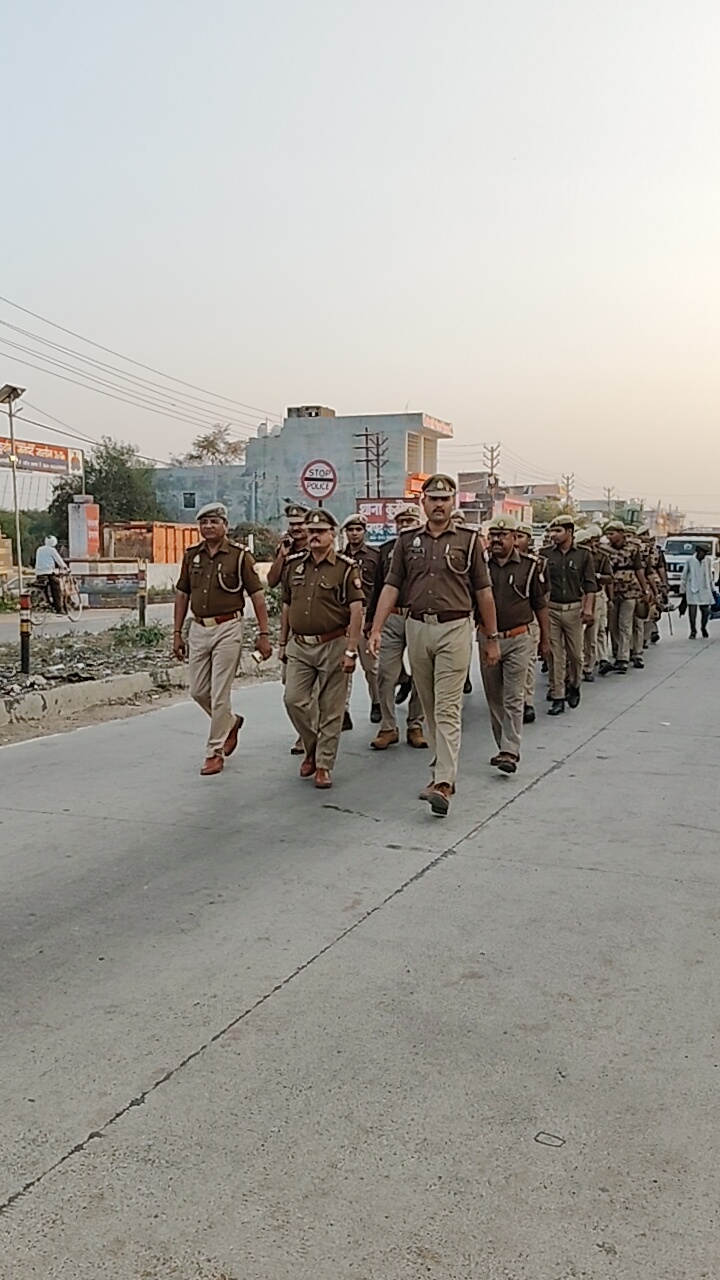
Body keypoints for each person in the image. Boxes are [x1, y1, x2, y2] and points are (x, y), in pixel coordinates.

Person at [368, 474, 500, 817]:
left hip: (454, 628)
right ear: (422, 502)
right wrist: (377, 628)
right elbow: (392, 586)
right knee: (428, 705)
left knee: (447, 707)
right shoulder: (407, 541)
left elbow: (484, 592)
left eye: (445, 499)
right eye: (433, 498)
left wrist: (491, 638)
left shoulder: (469, 541)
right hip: (416, 627)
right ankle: (440, 767)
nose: (439, 504)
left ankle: (443, 781)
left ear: (452, 503)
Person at [174, 502, 272, 776]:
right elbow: (182, 594)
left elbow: (257, 596)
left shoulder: (240, 557)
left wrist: (264, 634)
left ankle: (214, 752)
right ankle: (230, 722)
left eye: (214, 521)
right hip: (198, 628)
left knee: (220, 694)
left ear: (225, 525)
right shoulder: (192, 555)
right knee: (198, 691)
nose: (208, 526)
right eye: (204, 522)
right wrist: (177, 633)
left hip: (228, 627)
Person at [280, 508, 364, 789]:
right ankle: (312, 746)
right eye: (310, 531)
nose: (313, 536)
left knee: (331, 708)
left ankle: (324, 765)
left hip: (333, 644)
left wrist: (351, 649)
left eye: (319, 531)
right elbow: (286, 605)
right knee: (293, 700)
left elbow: (356, 610)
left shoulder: (345, 567)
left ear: (332, 534)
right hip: (300, 645)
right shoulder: (294, 565)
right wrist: (282, 642)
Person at [480, 516, 550, 774]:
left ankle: (510, 749)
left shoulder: (530, 567)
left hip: (519, 638)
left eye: (503, 535)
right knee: (494, 696)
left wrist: (545, 639)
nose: (497, 540)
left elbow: (540, 605)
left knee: (514, 695)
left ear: (514, 538)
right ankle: (503, 745)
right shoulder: (479, 565)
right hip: (487, 638)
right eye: (493, 535)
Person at [365, 503, 427, 751]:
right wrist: (372, 621)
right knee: (385, 673)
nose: (405, 526)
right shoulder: (386, 550)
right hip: (391, 617)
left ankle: (415, 725)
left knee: (421, 673)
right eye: (401, 522)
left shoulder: (428, 548)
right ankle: (388, 726)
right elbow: (378, 587)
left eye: (410, 522)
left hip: (418, 617)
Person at [266, 503, 310, 755]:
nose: (296, 529)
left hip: (317, 626)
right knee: (292, 685)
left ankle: (308, 736)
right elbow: (272, 582)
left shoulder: (320, 549)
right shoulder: (286, 550)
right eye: (292, 524)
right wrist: (282, 556)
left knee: (314, 689)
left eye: (300, 524)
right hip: (293, 628)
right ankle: (306, 731)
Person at [543, 514, 597, 715]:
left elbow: (590, 584)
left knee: (575, 655)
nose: (553, 535)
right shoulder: (545, 555)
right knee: (555, 656)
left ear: (569, 532)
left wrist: (588, 609)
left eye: (558, 531)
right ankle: (558, 696)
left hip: (574, 610)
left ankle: (574, 684)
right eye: (552, 531)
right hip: (552, 609)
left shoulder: (583, 555)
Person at [341, 513, 382, 726]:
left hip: (367, 613)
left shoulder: (375, 556)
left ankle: (377, 702)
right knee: (343, 666)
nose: (354, 534)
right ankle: (343, 711)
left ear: (364, 532)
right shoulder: (339, 558)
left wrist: (375, 620)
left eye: (358, 529)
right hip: (345, 616)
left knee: (371, 666)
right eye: (350, 530)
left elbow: (380, 588)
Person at [603, 520, 651, 674]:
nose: (609, 537)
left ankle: (623, 658)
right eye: (608, 534)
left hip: (630, 591)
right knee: (613, 625)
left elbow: (639, 570)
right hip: (611, 591)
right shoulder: (604, 550)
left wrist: (645, 590)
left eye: (612, 533)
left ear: (621, 533)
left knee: (625, 624)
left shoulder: (633, 549)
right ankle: (618, 652)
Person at [577, 525, 613, 680]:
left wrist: (598, 577)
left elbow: (609, 578)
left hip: (595, 596)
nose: (592, 544)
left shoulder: (601, 557)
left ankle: (588, 667)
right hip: (576, 597)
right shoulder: (573, 556)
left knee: (593, 633)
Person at [515, 521, 542, 722]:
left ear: (529, 540)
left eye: (520, 537)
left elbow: (542, 598)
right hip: (504, 620)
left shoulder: (537, 564)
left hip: (529, 618)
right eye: (513, 536)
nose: (516, 541)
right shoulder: (493, 561)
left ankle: (526, 702)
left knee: (528, 662)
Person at [681, 543, 714, 638]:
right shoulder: (690, 560)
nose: (704, 554)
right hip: (692, 588)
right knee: (692, 611)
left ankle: (703, 627)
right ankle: (693, 630)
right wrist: (683, 589)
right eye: (703, 552)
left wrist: (712, 588)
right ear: (698, 551)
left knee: (706, 611)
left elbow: (709, 575)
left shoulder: (707, 560)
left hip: (704, 588)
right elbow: (684, 575)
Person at [34, 535, 68, 612]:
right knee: (56, 588)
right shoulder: (52, 550)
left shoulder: (39, 549)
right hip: (48, 572)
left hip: (39, 573)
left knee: (44, 588)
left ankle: (47, 601)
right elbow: (59, 560)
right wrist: (65, 567)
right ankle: (58, 608)